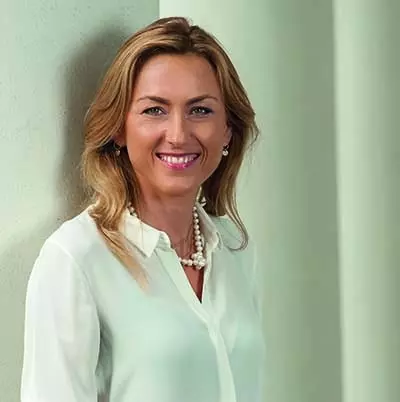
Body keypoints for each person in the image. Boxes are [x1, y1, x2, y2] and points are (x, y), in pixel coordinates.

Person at [20, 16, 266, 402]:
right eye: (155, 110)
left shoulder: (235, 249)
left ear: (228, 131)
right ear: (119, 128)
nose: (178, 134)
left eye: (200, 110)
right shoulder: (76, 260)